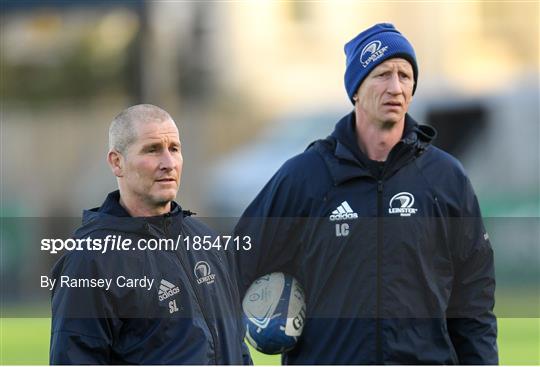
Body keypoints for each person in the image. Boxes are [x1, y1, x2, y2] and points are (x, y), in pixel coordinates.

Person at [234, 23, 498, 364]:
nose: (395, 87)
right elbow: (233, 271)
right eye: (382, 74)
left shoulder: (446, 178)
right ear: (356, 89)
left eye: (404, 75)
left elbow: (473, 299)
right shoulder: (305, 177)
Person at [50, 104, 251, 364]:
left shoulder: (208, 242)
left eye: (174, 149)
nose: (168, 163)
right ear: (117, 162)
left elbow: (237, 347)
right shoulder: (90, 260)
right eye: (152, 150)